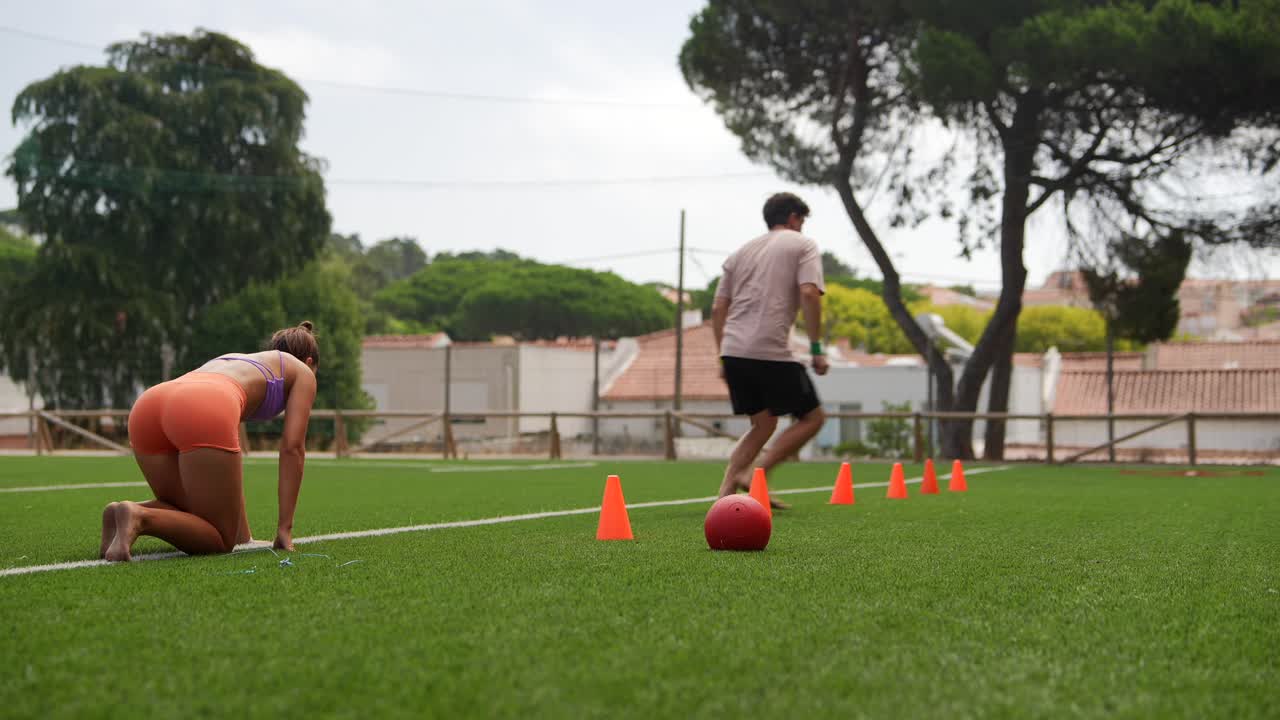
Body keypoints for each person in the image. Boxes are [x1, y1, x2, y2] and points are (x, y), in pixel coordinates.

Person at [100, 322, 320, 562]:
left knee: (189, 513)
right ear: (309, 362)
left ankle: (116, 514)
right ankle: (138, 516)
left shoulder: (241, 361)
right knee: (219, 541)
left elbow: (229, 450)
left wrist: (243, 536)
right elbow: (292, 448)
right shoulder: (303, 372)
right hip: (204, 404)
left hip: (150, 405)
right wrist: (284, 529)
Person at [712, 192, 829, 507]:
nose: (802, 227)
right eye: (801, 220)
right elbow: (809, 293)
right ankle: (756, 474)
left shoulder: (740, 253)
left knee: (763, 424)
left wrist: (721, 354)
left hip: (733, 351)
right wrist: (816, 348)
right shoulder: (802, 244)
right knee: (813, 418)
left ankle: (725, 497)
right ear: (793, 217)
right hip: (769, 350)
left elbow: (718, 308)